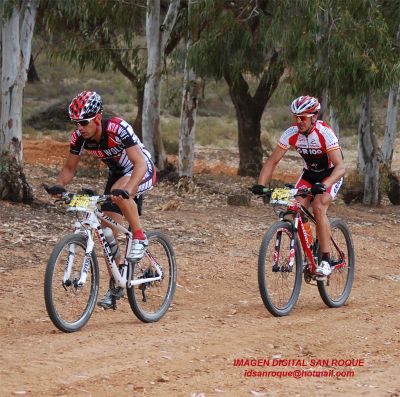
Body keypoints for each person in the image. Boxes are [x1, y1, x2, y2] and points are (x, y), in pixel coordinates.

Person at [47, 91, 156, 308]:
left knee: (120, 193)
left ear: (97, 118)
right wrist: (59, 186)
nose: (79, 127)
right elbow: (69, 169)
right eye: (76, 123)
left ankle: (140, 237)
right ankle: (117, 282)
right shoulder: (79, 137)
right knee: (106, 231)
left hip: (141, 169)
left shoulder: (118, 128)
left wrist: (128, 191)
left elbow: (140, 163)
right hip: (117, 174)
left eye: (84, 122)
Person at [251, 95, 345, 276]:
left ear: (314, 117)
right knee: (292, 210)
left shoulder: (325, 133)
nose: (298, 121)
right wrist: (260, 185)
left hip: (331, 174)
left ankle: (325, 259)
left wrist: (324, 185)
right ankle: (310, 250)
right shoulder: (291, 133)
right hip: (309, 174)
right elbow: (272, 161)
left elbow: (341, 168)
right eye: (295, 117)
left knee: (318, 207)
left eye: (302, 117)